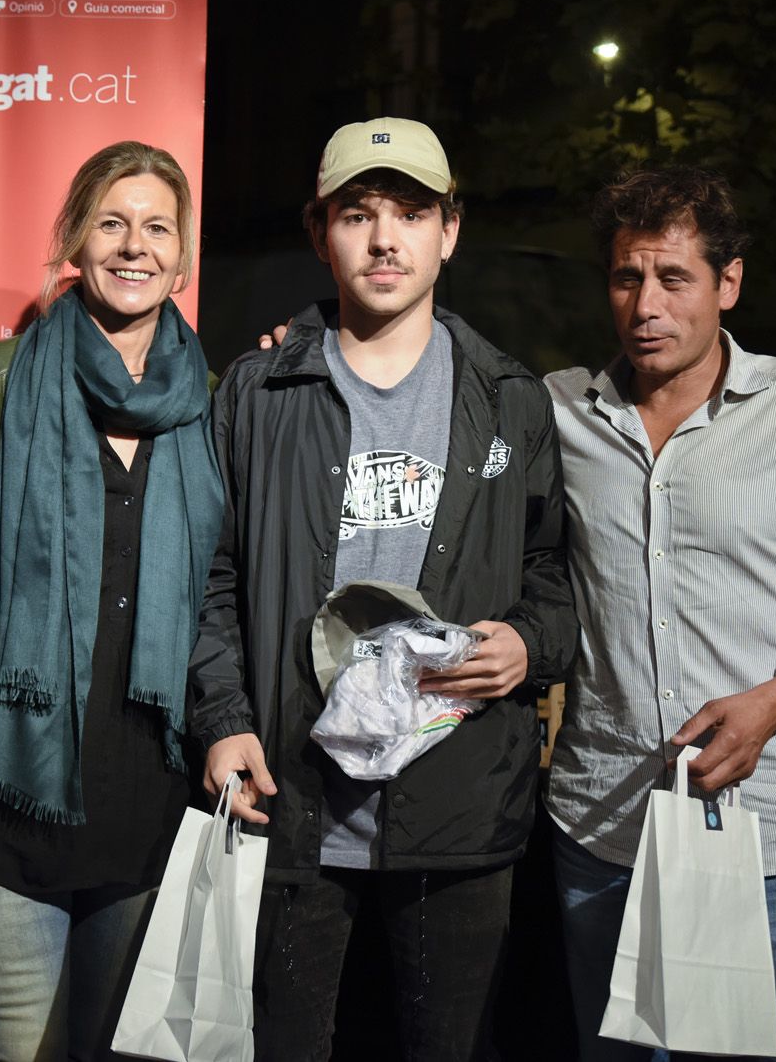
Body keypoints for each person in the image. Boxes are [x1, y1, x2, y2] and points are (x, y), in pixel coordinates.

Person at [192, 117, 578, 1061]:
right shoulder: (256, 391)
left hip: (458, 799)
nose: (383, 239)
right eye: (357, 213)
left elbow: (555, 577)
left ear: (450, 230)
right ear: (319, 231)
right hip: (288, 794)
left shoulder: (511, 398)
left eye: (410, 213)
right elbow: (208, 577)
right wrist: (224, 719)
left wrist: (530, 643)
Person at [544, 166, 776, 1061]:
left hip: (768, 837)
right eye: (628, 277)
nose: (646, 305)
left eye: (674, 278)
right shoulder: (556, 412)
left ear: (729, 282)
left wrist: (770, 706)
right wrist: (316, 342)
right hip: (604, 832)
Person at [0, 140, 220, 1061]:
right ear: (75, 239)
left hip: (155, 805)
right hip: (7, 803)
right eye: (111, 222)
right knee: (21, 1049)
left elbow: (224, 602)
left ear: (183, 256)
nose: (134, 245)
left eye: (157, 228)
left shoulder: (216, 401)